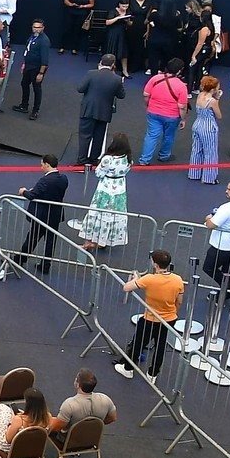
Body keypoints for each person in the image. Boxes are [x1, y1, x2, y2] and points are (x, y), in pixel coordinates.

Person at [118, 249, 183, 379]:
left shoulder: (149, 279)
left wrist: (136, 278)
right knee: (160, 347)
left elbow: (126, 287)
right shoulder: (177, 279)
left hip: (151, 318)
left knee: (138, 343)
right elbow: (179, 301)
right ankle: (153, 374)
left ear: (155, 264)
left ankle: (128, 368)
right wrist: (173, 313)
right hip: (169, 319)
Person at [73, 133, 132, 251]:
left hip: (105, 190)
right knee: (112, 216)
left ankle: (90, 242)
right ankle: (103, 242)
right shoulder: (128, 159)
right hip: (120, 191)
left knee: (96, 214)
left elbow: (98, 173)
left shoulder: (107, 159)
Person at [74, 57, 125, 167]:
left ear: (100, 62)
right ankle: (93, 159)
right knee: (99, 137)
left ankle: (81, 160)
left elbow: (80, 88)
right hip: (105, 112)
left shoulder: (91, 74)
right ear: (113, 65)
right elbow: (121, 95)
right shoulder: (117, 79)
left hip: (88, 109)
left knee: (85, 136)